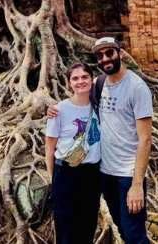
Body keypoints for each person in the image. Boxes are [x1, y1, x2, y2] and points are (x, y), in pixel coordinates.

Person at [48, 37, 153, 244]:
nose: (105, 59)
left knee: (134, 234)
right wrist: (53, 108)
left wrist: (137, 184)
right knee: (121, 229)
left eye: (110, 53)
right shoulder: (100, 84)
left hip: (127, 176)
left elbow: (146, 139)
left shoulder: (137, 88)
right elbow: (79, 92)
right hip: (103, 173)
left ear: (120, 53)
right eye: (100, 55)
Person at [45, 62, 101, 244]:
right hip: (65, 174)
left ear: (92, 80)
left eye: (85, 77)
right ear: (69, 83)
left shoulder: (101, 107)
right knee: (66, 228)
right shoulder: (59, 110)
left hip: (92, 174)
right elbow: (49, 147)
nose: (80, 81)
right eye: (75, 78)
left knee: (88, 225)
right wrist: (54, 178)